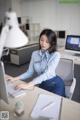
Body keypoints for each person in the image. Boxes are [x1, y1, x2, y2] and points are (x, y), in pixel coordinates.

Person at [8, 29, 65, 96]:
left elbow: (47, 74)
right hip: (42, 83)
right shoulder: (34, 54)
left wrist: (28, 84)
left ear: (52, 43)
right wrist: (14, 78)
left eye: (47, 41)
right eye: (41, 40)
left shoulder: (56, 55)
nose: (43, 44)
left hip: (55, 84)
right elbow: (29, 72)